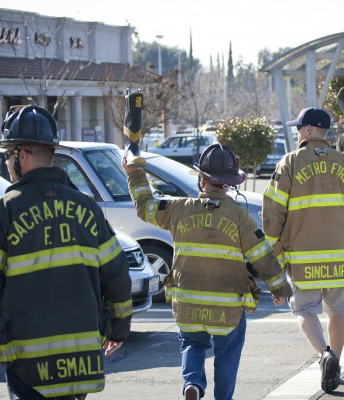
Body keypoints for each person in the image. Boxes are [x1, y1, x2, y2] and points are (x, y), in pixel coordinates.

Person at [0, 105, 133, 399]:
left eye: (7, 156)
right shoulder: (87, 208)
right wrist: (119, 329)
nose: (6, 163)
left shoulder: (4, 210)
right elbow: (117, 273)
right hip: (81, 360)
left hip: (27, 362)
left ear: (22, 155)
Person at [123, 143, 292, 400]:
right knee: (227, 353)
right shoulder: (240, 217)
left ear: (201, 180)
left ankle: (192, 384)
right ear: (231, 184)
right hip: (228, 306)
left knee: (192, 343)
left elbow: (145, 206)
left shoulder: (177, 209)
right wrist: (279, 288)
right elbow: (262, 256)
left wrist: (135, 171)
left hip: (187, 301)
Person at [262, 107, 344, 393]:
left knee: (304, 309)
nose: (297, 132)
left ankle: (324, 355)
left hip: (302, 260)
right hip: (342, 257)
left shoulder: (290, 162)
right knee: (338, 311)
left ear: (309, 130)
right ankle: (336, 362)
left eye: (299, 127)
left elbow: (273, 213)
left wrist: (272, 255)